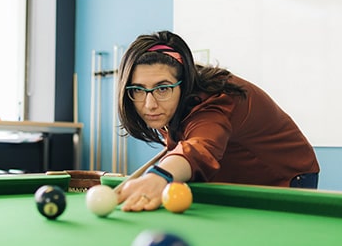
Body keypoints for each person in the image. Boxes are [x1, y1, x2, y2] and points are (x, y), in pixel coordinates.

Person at [115, 30, 320, 212]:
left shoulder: (216, 99)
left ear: (183, 85)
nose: (149, 104)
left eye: (162, 88)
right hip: (236, 174)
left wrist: (157, 177)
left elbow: (200, 148)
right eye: (139, 90)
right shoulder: (167, 105)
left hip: (285, 175)